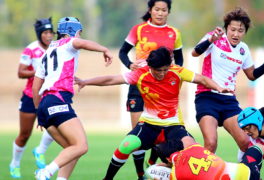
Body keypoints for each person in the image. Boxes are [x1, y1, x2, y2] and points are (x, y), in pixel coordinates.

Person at [74, 47, 232, 180]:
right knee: (126, 145)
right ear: (150, 66)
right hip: (149, 124)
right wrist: (86, 82)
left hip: (173, 125)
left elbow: (202, 79)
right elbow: (110, 80)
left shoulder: (177, 71)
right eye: (158, 70)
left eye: (165, 69)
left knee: (193, 148)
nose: (162, 74)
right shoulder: (140, 74)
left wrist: (218, 88)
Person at [191, 7, 264, 154]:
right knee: (211, 143)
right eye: (232, 29)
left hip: (228, 101)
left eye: (240, 31)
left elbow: (251, 75)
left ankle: (249, 175)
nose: (236, 34)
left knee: (246, 142)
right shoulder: (214, 38)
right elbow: (195, 53)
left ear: (245, 32)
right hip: (207, 97)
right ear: (226, 28)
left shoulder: (243, 50)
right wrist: (210, 40)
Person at [32, 17, 113, 180]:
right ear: (71, 32)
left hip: (44, 106)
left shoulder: (46, 53)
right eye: (79, 33)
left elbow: (35, 88)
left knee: (72, 150)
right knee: (81, 146)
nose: (80, 37)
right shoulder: (69, 43)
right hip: (57, 99)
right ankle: (45, 172)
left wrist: (39, 114)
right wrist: (104, 49)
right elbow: (80, 43)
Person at [119, 0, 184, 175]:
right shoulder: (138, 29)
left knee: (160, 131)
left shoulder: (174, 33)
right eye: (157, 9)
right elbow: (122, 52)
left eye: (164, 10)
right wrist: (130, 64)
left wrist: (174, 77)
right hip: (139, 85)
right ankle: (140, 174)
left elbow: (179, 60)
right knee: (138, 133)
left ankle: (152, 166)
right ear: (150, 10)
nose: (160, 13)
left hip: (163, 88)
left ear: (168, 12)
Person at [10, 17, 55, 179]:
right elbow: (20, 72)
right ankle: (15, 164)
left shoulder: (56, 48)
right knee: (24, 134)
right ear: (39, 34)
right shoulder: (31, 50)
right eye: (45, 32)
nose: (49, 35)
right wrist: (39, 71)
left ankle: (40, 150)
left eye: (51, 32)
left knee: (56, 127)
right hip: (30, 96)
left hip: (49, 96)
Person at [153, 137, 264, 180]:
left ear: (167, 159)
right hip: (248, 172)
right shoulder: (195, 147)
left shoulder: (175, 174)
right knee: (259, 147)